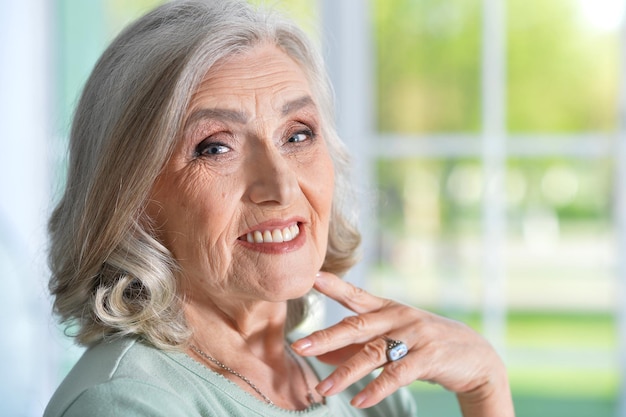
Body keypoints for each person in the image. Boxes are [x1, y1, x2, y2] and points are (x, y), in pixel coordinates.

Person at [44, 1, 515, 416]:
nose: (282, 186)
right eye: (215, 147)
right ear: (132, 199)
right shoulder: (126, 403)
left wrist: (485, 387)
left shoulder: (370, 386)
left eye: (298, 135)